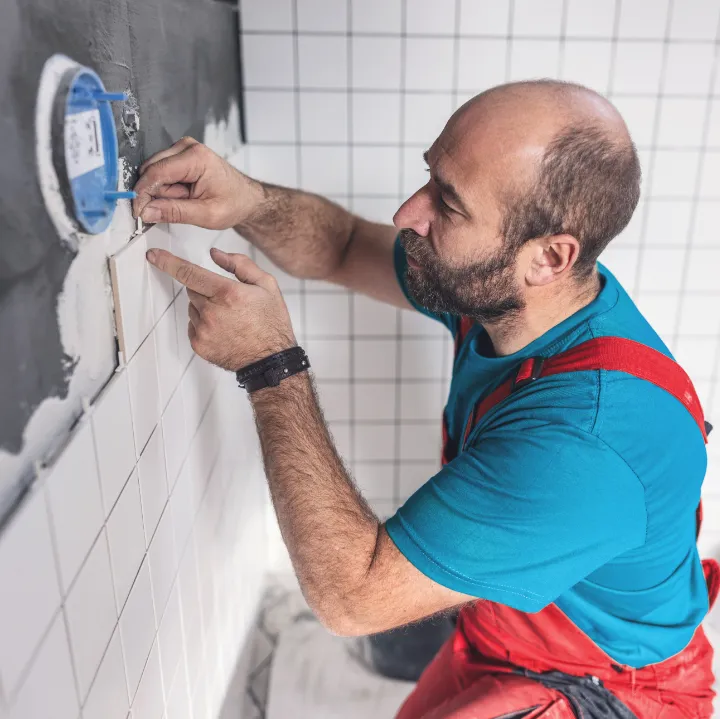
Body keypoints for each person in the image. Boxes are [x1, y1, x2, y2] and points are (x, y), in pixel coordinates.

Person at [132, 80, 716, 719]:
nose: (408, 212)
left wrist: (271, 366)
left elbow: (351, 597)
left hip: (608, 686)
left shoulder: (585, 441)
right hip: (500, 637)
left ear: (550, 257)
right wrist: (246, 200)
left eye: (449, 203)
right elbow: (346, 247)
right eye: (429, 177)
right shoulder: (512, 296)